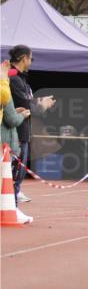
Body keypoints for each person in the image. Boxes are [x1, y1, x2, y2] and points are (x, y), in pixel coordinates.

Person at [8, 45, 56, 203]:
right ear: (23, 58)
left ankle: (13, 202)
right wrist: (41, 105)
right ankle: (11, 206)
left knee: (18, 173)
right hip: (15, 134)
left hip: (23, 132)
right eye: (31, 58)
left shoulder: (21, 79)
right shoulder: (14, 79)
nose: (31, 61)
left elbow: (28, 103)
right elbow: (27, 107)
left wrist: (39, 102)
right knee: (15, 173)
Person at [1, 58, 33, 223]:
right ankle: (11, 208)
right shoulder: (4, 89)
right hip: (5, 141)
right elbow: (11, 119)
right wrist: (21, 114)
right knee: (10, 178)